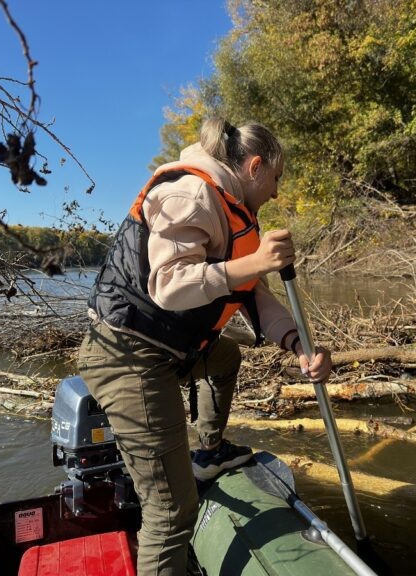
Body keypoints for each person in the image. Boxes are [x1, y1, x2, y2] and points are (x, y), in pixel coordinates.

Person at [77, 117, 332, 576]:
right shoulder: (189, 193)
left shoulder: (235, 209)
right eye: (276, 179)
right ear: (255, 166)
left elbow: (255, 294)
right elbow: (169, 287)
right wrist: (254, 261)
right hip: (127, 356)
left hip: (170, 348)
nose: (276, 192)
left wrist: (297, 343)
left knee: (226, 356)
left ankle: (209, 451)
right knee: (171, 512)